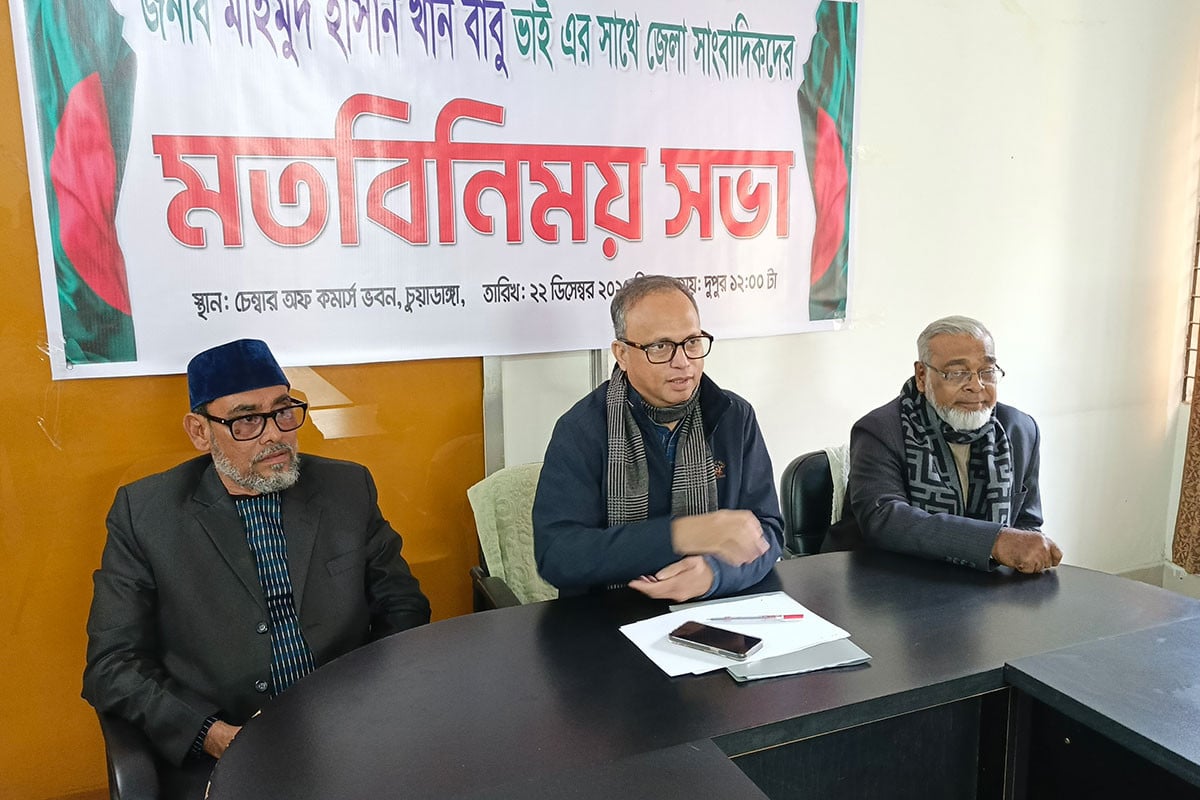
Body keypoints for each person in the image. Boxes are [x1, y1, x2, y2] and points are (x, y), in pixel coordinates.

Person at [83, 339, 430, 799]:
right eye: (246, 420)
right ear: (200, 432)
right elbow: (112, 663)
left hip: (353, 730)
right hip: (225, 747)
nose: (274, 435)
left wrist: (370, 703)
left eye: (283, 411)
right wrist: (212, 734)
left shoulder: (347, 487)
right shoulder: (147, 515)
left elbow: (403, 606)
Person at [533, 275, 783, 603]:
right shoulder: (582, 430)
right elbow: (558, 555)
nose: (683, 362)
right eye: (660, 347)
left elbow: (768, 532)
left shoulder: (734, 417)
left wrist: (715, 574)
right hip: (610, 615)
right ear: (622, 354)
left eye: (692, 342)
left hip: (714, 606)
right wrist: (680, 535)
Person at [831, 316, 1062, 573]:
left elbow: (1027, 522)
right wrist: (993, 541)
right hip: (886, 580)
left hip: (983, 583)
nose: (976, 386)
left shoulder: (1019, 430)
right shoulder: (880, 430)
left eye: (987, 371)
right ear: (922, 376)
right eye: (957, 373)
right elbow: (885, 519)